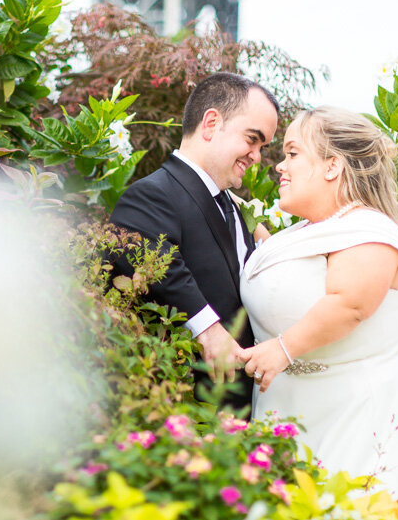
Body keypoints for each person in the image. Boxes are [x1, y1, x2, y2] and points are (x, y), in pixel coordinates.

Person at [238, 107, 398, 520]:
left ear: (332, 165)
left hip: (359, 420)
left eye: (294, 153)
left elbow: (350, 304)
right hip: (295, 411)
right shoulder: (307, 230)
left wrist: (282, 350)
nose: (280, 165)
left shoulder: (369, 232)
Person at [109, 73, 279, 415]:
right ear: (211, 123)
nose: (257, 157)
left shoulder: (231, 206)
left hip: (237, 406)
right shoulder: (152, 194)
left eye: (263, 147)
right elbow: (147, 255)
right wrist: (209, 331)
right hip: (183, 405)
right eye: (252, 139)